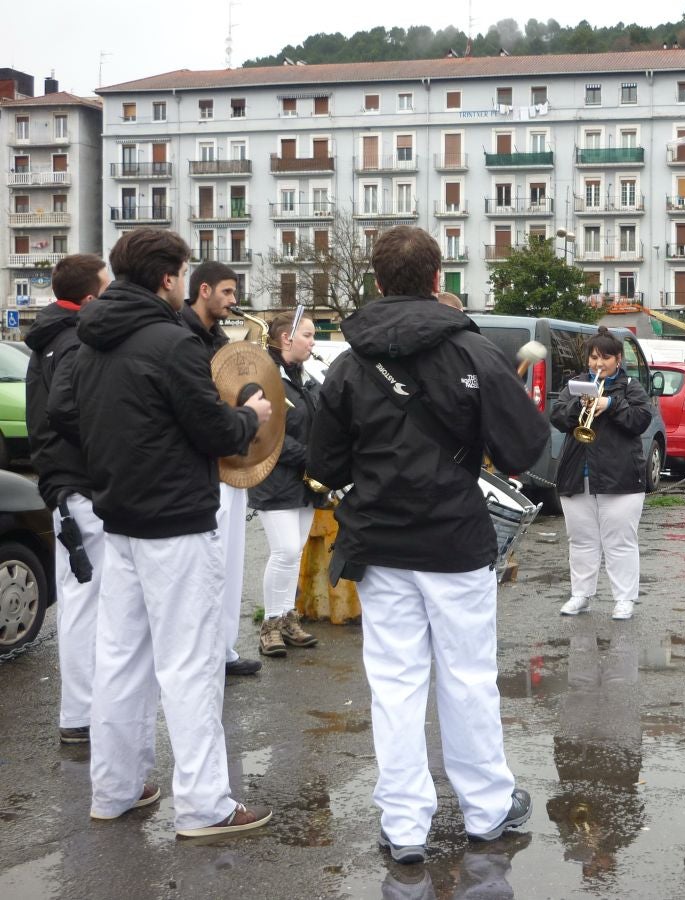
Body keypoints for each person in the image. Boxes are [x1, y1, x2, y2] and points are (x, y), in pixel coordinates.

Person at [306, 225, 548, 864]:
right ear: (439, 280)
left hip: (381, 544)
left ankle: (406, 826)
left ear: (378, 282)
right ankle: (487, 811)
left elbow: (326, 465)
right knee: (468, 679)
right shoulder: (472, 351)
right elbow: (526, 447)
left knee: (395, 684)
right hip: (456, 540)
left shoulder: (349, 361)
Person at [47, 227, 273, 836]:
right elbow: (218, 435)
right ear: (170, 278)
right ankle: (206, 806)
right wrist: (250, 415)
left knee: (120, 661)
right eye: (183, 273)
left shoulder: (88, 340)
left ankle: (115, 790)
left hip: (118, 518)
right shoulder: (171, 343)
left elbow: (65, 414)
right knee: (190, 666)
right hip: (175, 523)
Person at [24, 253, 111, 744]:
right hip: (80, 485)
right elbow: (66, 410)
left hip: (63, 484)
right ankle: (80, 715)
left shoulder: (48, 338)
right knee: (85, 600)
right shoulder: (75, 340)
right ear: (92, 297)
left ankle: (80, 711)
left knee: (81, 597)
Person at [182, 260, 260, 677]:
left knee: (230, 563)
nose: (234, 300)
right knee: (208, 567)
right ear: (205, 290)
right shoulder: (183, 337)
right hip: (205, 464)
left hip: (232, 461)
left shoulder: (215, 338)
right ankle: (207, 654)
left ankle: (224, 649)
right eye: (228, 292)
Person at [551, 327, 653, 620]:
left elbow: (640, 420)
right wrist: (578, 406)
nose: (598, 364)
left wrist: (611, 404)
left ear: (618, 359)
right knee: (581, 539)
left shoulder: (630, 386)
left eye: (605, 358)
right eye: (594, 358)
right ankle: (580, 595)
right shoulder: (577, 384)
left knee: (619, 540)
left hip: (619, 476)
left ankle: (624, 599)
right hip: (577, 473)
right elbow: (557, 416)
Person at [248, 313, 323, 659]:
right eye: (307, 335)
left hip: (303, 481)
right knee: (285, 551)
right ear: (285, 339)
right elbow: (266, 435)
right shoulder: (266, 378)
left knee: (294, 553)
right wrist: (309, 458)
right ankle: (271, 625)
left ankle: (286, 619)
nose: (312, 341)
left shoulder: (304, 377)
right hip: (276, 478)